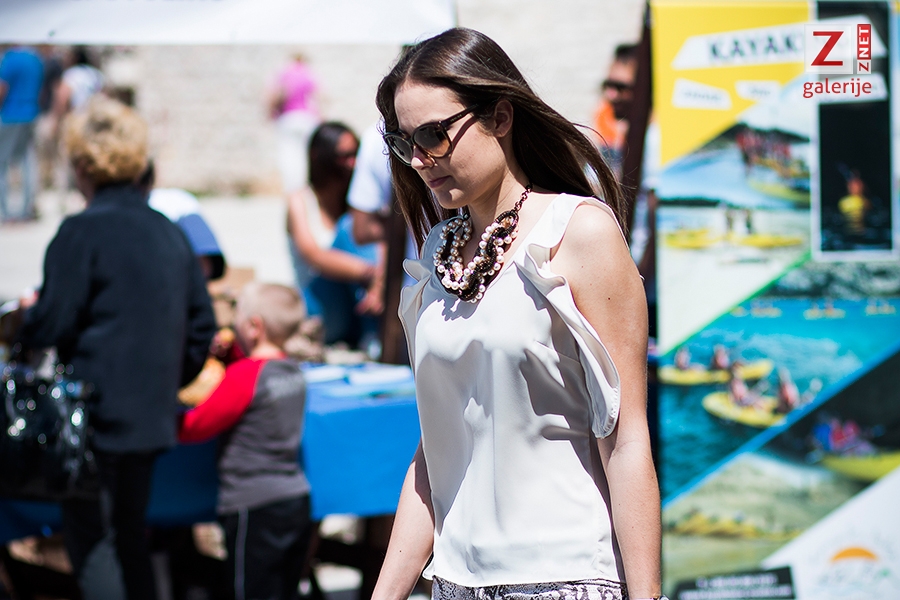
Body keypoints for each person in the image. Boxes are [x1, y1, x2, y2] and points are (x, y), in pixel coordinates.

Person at [372, 28, 662, 600]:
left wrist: (647, 594)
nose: (420, 159)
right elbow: (435, 450)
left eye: (434, 134)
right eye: (405, 142)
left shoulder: (579, 233)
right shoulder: (436, 251)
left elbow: (626, 439)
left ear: (500, 116)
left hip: (565, 576)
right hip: (454, 583)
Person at [16, 96, 217, 600]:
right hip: (149, 417)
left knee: (96, 542)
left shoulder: (80, 232)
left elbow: (52, 324)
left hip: (92, 418)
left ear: (84, 167)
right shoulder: (169, 232)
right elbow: (202, 328)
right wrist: (165, 379)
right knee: (130, 536)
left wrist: (26, 318)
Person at [179, 283, 314, 600]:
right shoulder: (292, 371)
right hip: (295, 500)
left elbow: (194, 427)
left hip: (254, 508)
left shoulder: (244, 376)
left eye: (236, 317)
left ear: (254, 326)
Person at [287, 121, 380, 347]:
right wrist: (372, 274)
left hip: (355, 302)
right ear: (319, 157)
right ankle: (375, 337)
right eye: (344, 156)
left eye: (356, 154)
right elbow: (314, 256)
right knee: (351, 227)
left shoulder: (355, 200)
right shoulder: (300, 201)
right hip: (320, 303)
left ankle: (374, 335)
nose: (352, 163)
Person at [0, 44, 44, 222]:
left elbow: (2, 88)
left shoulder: (10, 59)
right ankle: (27, 208)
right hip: (31, 113)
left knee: (2, 163)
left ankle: (4, 211)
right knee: (28, 161)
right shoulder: (35, 58)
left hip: (10, 115)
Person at [269, 54, 320, 194]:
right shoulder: (309, 73)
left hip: (289, 118)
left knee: (288, 157)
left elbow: (277, 94)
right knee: (306, 157)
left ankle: (293, 191)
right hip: (308, 119)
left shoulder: (284, 72)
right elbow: (318, 97)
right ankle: (305, 189)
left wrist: (272, 111)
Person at [593, 44, 638, 175]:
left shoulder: (657, 138)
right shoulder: (603, 121)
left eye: (621, 87)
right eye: (608, 85)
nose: (611, 95)